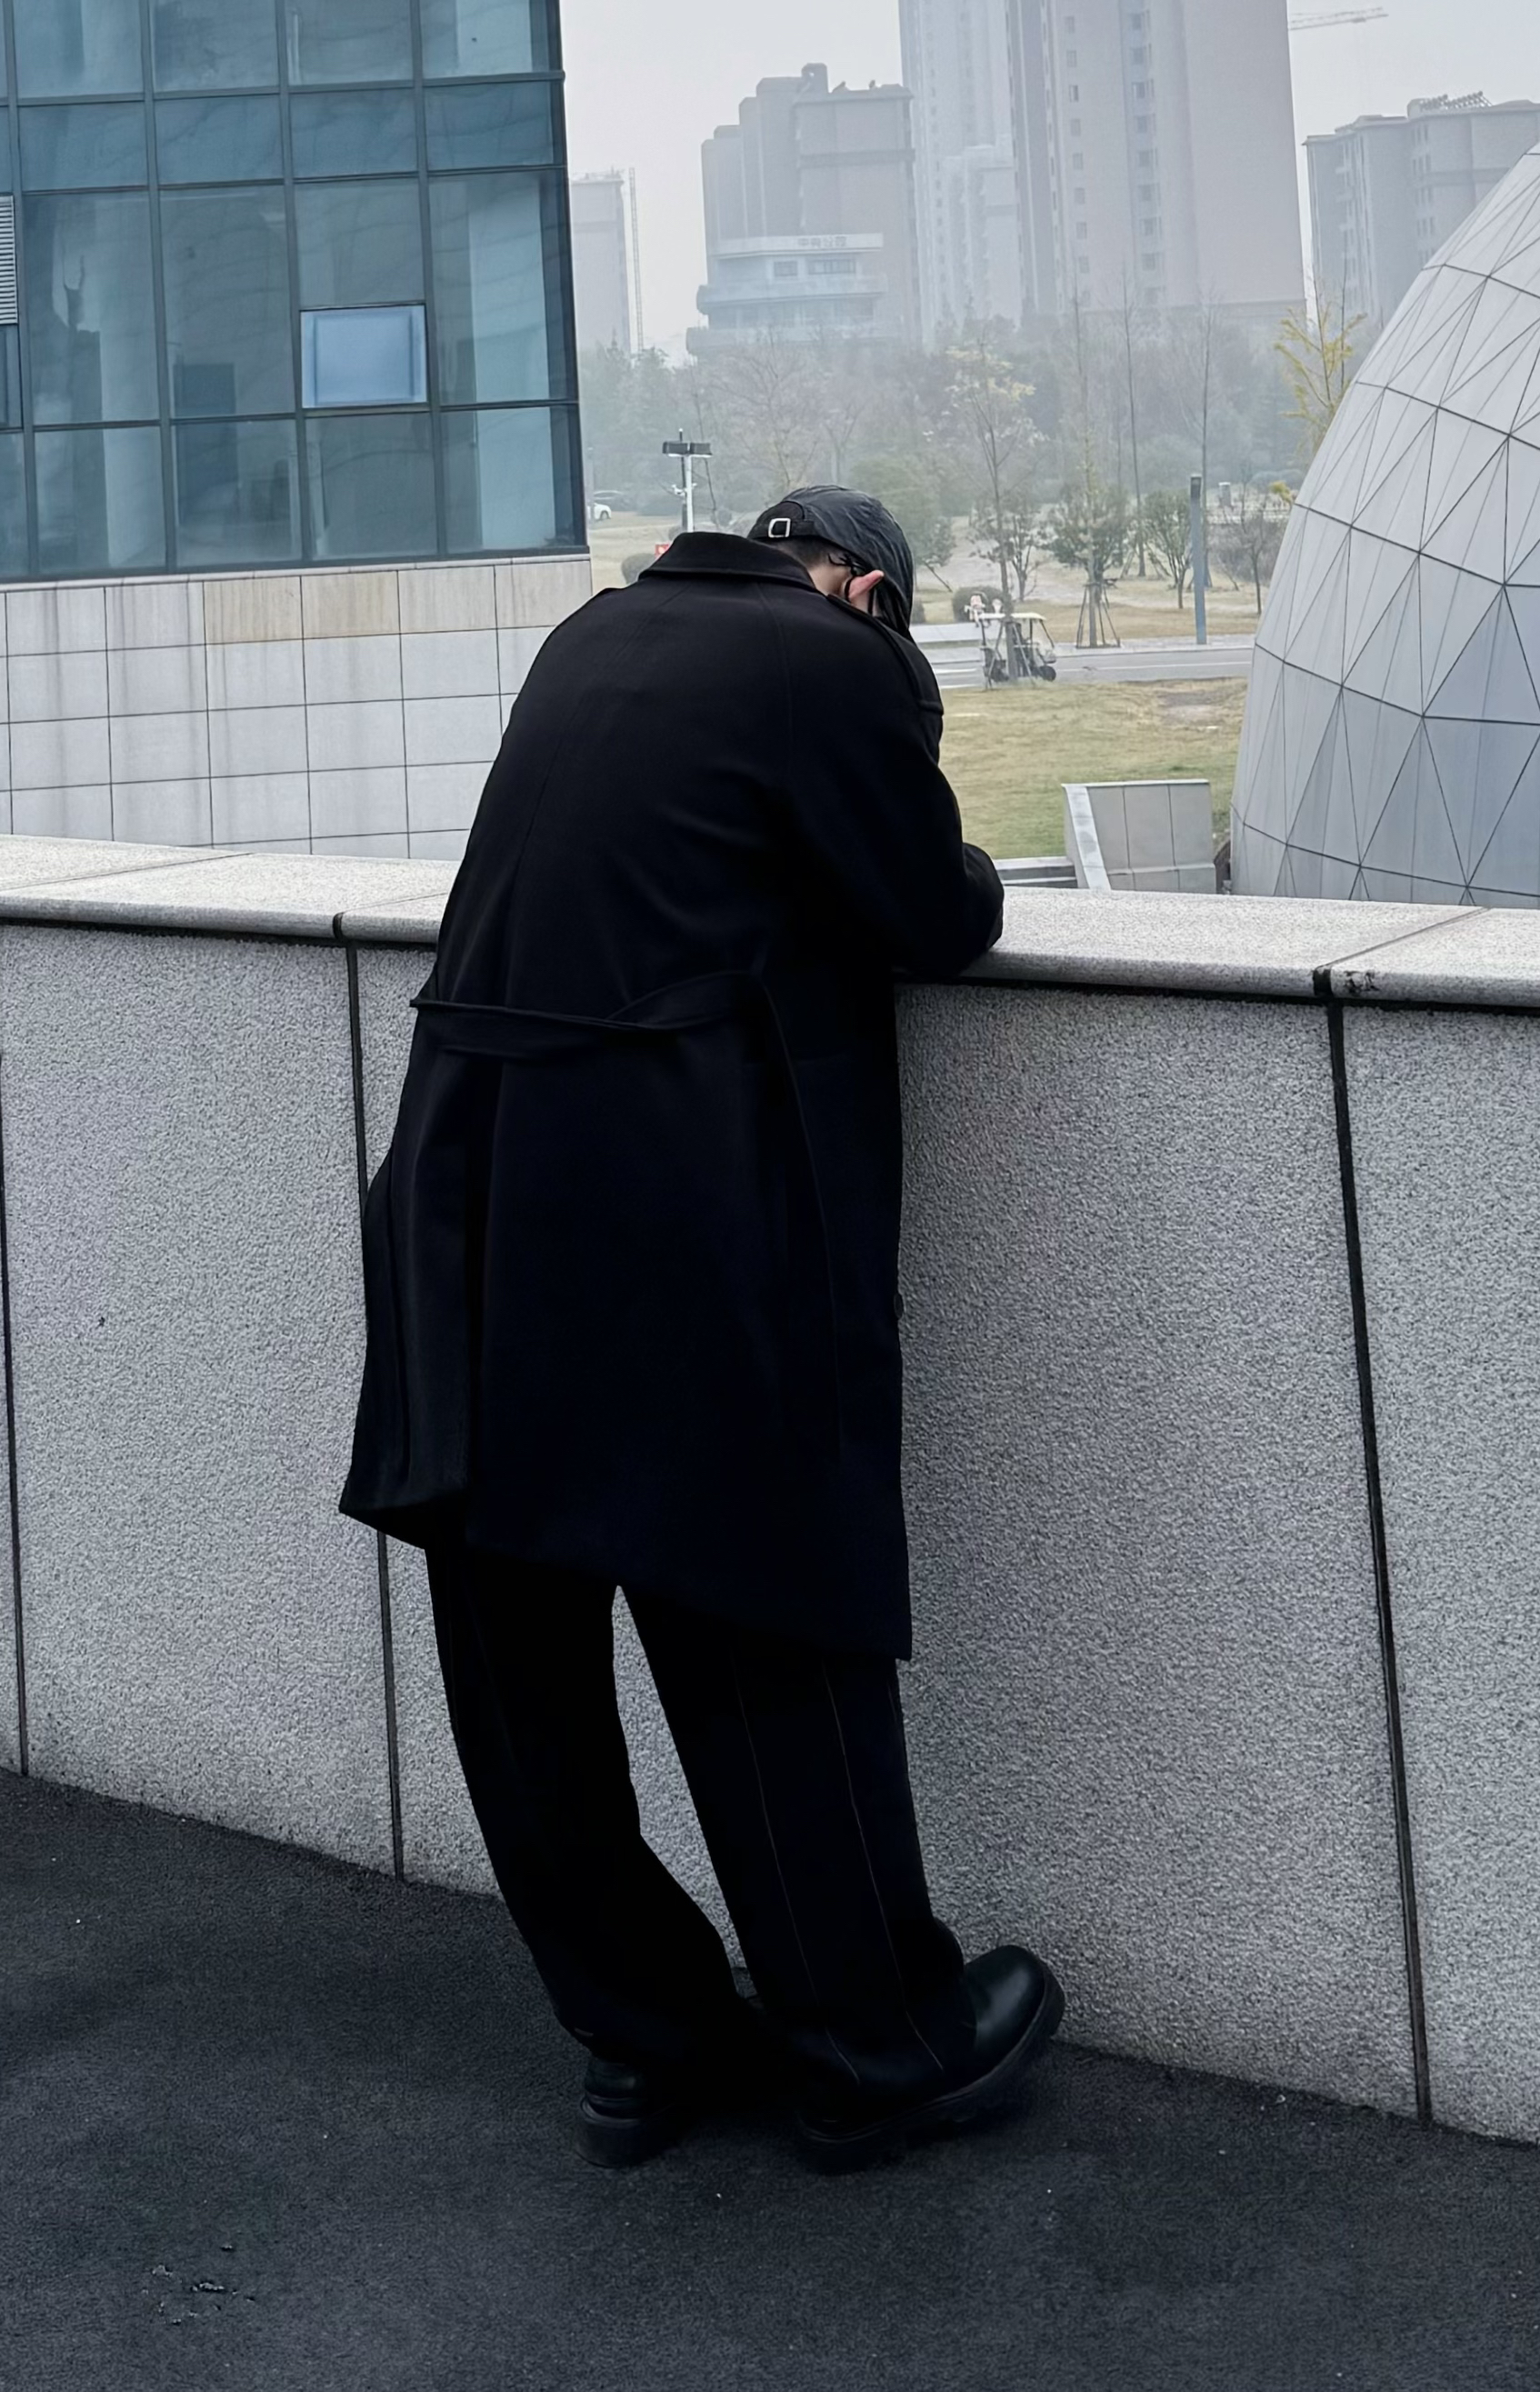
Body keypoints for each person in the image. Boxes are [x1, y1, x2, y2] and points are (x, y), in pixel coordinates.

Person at [342, 485, 1063, 2174]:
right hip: (663, 1194)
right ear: (864, 590)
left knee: (514, 1642)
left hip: (461, 1179)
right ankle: (875, 2040)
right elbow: (936, 912)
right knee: (759, 1605)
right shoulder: (825, 657)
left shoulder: (592, 634)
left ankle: (642, 2035)